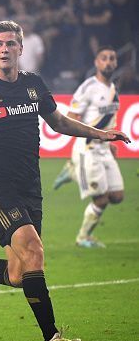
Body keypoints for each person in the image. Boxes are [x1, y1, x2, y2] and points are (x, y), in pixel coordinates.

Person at [0, 21, 129, 341]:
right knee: (34, 252)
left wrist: (101, 133)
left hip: (29, 187)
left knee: (20, 273)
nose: (5, 49)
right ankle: (53, 338)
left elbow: (60, 122)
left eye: (11, 44)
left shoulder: (34, 85)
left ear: (21, 48)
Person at [53, 46, 124, 248]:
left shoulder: (113, 90)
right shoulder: (88, 87)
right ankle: (83, 237)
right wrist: (94, 135)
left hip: (104, 149)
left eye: (112, 58)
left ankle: (73, 172)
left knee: (117, 197)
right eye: (104, 58)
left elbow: (110, 119)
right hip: (88, 149)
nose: (108, 62)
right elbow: (71, 119)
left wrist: (110, 143)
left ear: (116, 63)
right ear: (97, 62)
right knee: (101, 199)